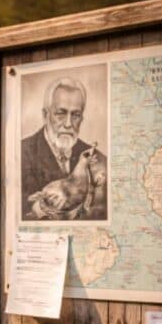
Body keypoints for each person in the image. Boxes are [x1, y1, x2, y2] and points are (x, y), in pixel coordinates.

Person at [21, 77, 107, 220]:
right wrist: (39, 208)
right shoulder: (20, 153)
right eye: (61, 113)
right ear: (45, 115)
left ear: (82, 119)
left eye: (76, 115)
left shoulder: (99, 161)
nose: (68, 124)